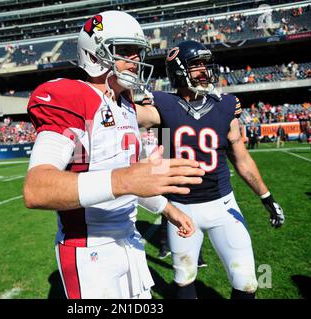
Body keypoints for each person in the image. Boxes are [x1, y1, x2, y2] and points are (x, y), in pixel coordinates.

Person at [23, 11, 205, 299]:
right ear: (95, 54)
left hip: (129, 241)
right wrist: (125, 180)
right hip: (89, 250)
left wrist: (170, 210)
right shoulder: (74, 98)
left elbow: (132, 181)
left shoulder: (126, 106)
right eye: (125, 51)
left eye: (137, 51)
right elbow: (36, 189)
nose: (135, 60)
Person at [137, 40, 285, 299]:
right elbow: (127, 115)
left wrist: (267, 198)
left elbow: (241, 159)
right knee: (184, 278)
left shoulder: (226, 105)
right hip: (181, 207)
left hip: (223, 205)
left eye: (206, 64)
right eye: (196, 65)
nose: (204, 70)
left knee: (247, 280)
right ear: (179, 70)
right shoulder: (161, 104)